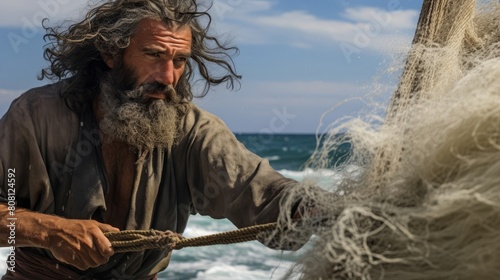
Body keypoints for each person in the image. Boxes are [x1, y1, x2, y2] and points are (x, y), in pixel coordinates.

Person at [0, 0, 314, 279]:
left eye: (179, 60)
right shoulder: (35, 116)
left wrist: (316, 208)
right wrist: (51, 232)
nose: (168, 76)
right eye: (154, 55)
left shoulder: (191, 131)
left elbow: (260, 191)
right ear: (111, 53)